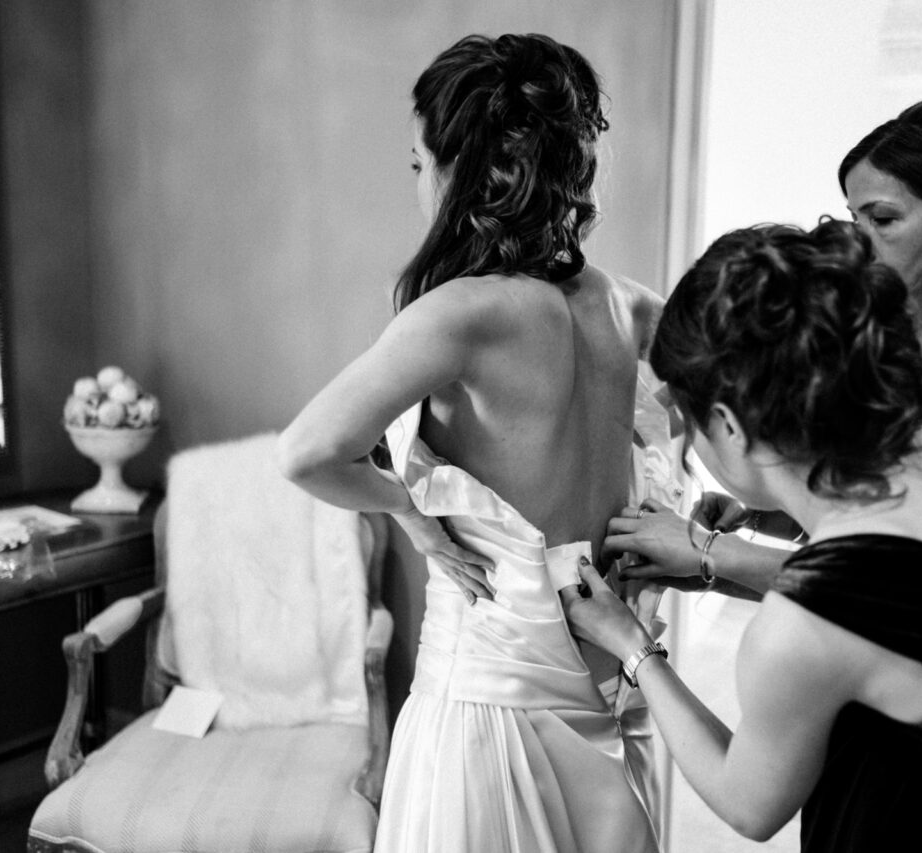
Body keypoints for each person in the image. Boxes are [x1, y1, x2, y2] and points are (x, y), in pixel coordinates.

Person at [562, 219, 922, 851]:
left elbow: (749, 804)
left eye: (688, 418)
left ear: (730, 426)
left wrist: (632, 647)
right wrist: (760, 529)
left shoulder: (801, 628)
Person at [279, 33, 680, 853]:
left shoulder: (459, 315)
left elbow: (307, 453)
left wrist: (412, 507)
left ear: (477, 173)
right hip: (608, 696)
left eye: (421, 163)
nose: (417, 183)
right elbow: (702, 421)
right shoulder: (625, 305)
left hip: (484, 715)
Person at [609, 95, 922, 599]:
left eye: (884, 219)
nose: (859, 240)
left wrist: (713, 555)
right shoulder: (880, 331)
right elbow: (873, 513)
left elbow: (920, 591)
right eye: (856, 217)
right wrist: (768, 516)